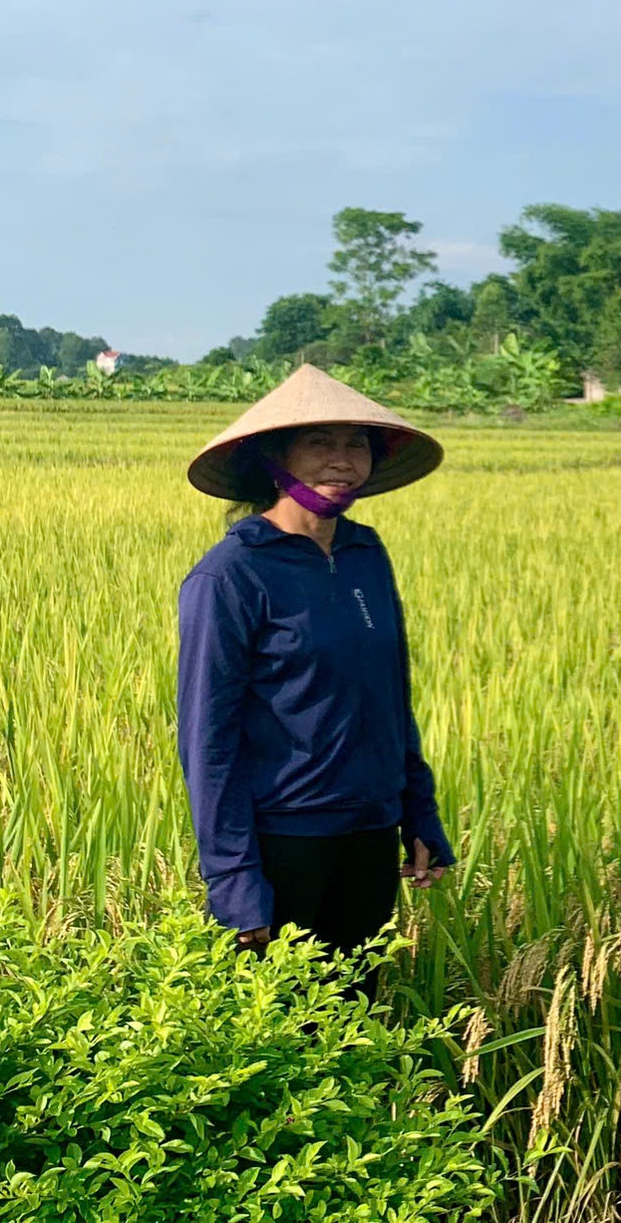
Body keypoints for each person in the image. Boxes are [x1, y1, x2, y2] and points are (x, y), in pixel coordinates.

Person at [175, 364, 460, 993]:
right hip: (284, 844)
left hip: (368, 840)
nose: (343, 461)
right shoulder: (231, 576)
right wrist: (234, 876)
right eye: (320, 443)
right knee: (278, 1039)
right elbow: (207, 740)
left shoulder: (366, 554)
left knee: (356, 1026)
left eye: (356, 443)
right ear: (274, 457)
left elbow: (391, 696)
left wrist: (419, 812)